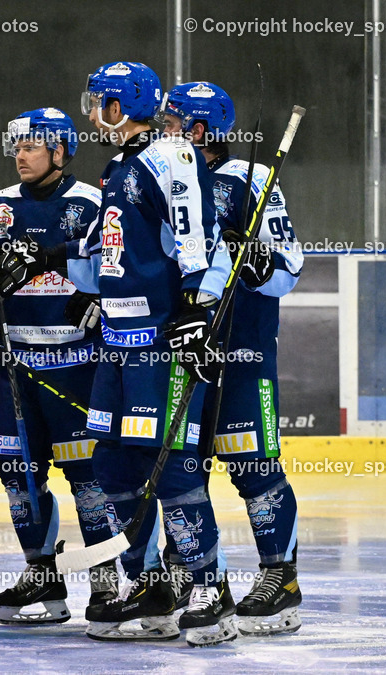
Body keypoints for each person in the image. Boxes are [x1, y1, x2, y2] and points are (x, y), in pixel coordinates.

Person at [0, 61, 235, 645]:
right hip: (116, 344)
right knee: (114, 468)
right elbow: (98, 254)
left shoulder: (169, 153)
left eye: (99, 100)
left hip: (159, 341)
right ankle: (148, 583)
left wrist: (198, 310)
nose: (92, 109)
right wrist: (37, 258)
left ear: (121, 106)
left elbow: (198, 236)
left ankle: (208, 586)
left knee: (169, 468)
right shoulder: (120, 164)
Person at [0, 107, 115, 624]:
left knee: (88, 477)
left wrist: (100, 299)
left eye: (32, 146)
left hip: (78, 365)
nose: (20, 155)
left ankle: (107, 581)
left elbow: (123, 269)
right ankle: (42, 574)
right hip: (17, 365)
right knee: (18, 475)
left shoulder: (92, 203)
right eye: (15, 147)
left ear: (60, 151)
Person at [161, 81, 304, 636]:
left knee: (253, 465)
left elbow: (290, 269)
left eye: (172, 122)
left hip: (240, 352)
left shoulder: (251, 181)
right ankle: (188, 571)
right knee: (177, 468)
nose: (162, 130)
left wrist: (259, 259)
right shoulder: (163, 177)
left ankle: (279, 577)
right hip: (179, 351)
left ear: (199, 130)